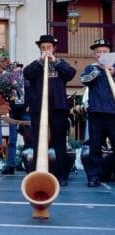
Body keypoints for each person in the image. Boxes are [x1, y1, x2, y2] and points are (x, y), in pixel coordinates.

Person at [23, 35, 76, 186]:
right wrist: (40, 62)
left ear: (54, 49)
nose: (46, 50)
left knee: (60, 141)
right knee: (38, 141)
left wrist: (56, 62)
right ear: (40, 49)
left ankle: (61, 175)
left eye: (49, 47)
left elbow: (71, 74)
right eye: (43, 48)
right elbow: (26, 74)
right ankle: (38, 173)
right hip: (38, 109)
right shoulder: (36, 65)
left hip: (58, 108)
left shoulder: (61, 63)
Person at [79, 39, 115, 187]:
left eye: (105, 52)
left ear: (111, 54)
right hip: (96, 112)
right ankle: (94, 176)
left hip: (113, 113)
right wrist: (99, 69)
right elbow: (84, 80)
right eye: (98, 52)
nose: (101, 54)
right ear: (95, 54)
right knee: (95, 146)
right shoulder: (90, 69)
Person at [0, 62, 32, 175]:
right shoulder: (8, 80)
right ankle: (10, 166)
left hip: (25, 111)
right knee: (12, 140)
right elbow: (2, 93)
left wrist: (30, 105)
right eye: (14, 68)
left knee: (29, 139)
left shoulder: (27, 80)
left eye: (18, 68)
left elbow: (33, 93)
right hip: (13, 111)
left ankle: (29, 163)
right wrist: (7, 104)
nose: (16, 70)